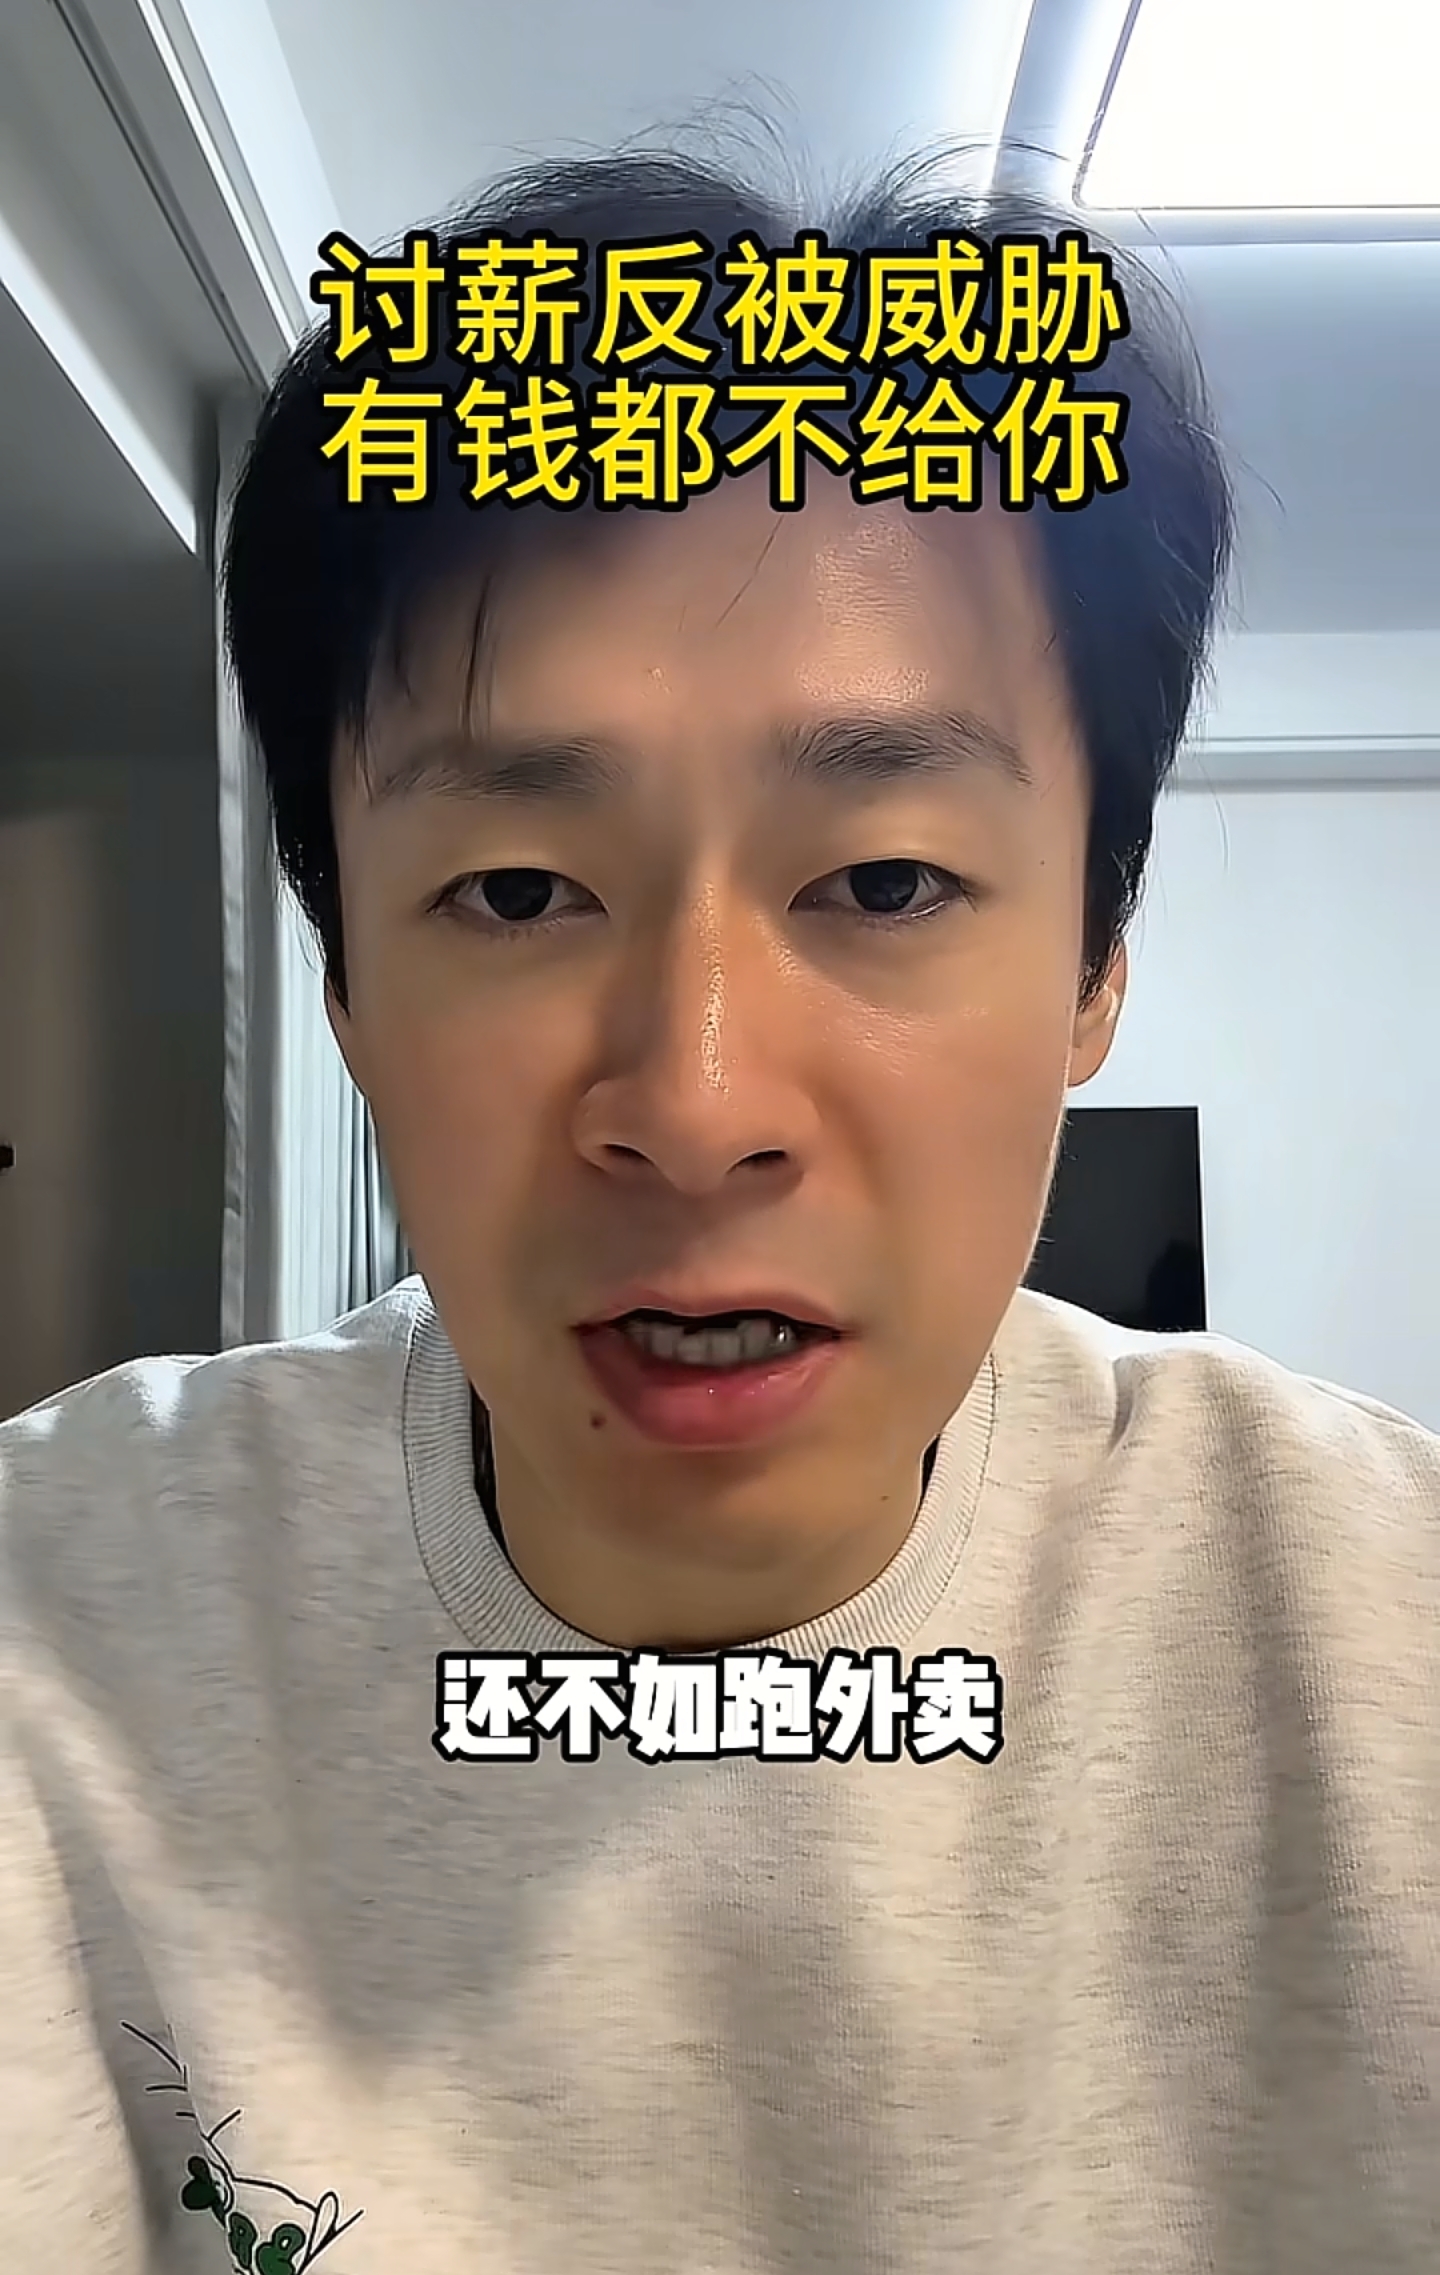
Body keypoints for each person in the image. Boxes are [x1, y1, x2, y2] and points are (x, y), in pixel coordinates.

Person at [2, 145, 1436, 2275]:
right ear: (349, 992)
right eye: (516, 893)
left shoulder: (1385, 1648)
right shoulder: (58, 1626)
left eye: (884, 882)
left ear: (1093, 970)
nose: (692, 1107)